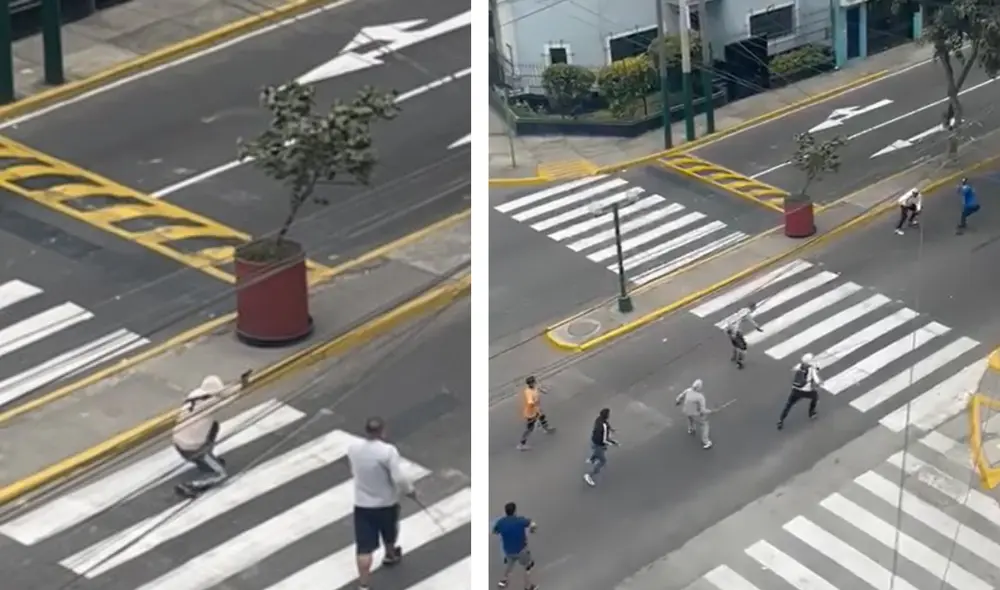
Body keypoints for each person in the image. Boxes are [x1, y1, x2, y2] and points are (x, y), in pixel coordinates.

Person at [348, 417, 416, 590]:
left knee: (364, 547)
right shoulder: (387, 452)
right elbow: (399, 477)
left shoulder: (353, 448)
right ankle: (390, 554)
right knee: (390, 530)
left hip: (362, 505)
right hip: (386, 503)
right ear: (382, 431)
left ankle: (363, 585)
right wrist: (409, 491)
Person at [172, 375, 239, 496]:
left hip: (178, 442)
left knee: (214, 425)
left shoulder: (195, 394)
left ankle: (205, 462)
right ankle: (192, 485)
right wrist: (243, 385)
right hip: (193, 448)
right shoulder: (211, 402)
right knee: (220, 474)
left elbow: (222, 393)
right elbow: (230, 397)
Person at [493, 502, 538, 590]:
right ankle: (528, 586)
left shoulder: (501, 522)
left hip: (508, 550)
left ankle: (503, 580)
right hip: (521, 550)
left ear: (506, 512)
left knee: (509, 565)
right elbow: (533, 524)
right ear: (515, 511)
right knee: (527, 567)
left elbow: (495, 531)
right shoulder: (520, 520)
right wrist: (532, 529)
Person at [777, 353, 822, 430]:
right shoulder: (811, 369)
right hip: (807, 391)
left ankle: (781, 420)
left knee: (789, 405)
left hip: (796, 389)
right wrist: (820, 382)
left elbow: (793, 370)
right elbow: (816, 379)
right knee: (815, 397)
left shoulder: (799, 365)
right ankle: (811, 413)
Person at [517, 376, 553, 451]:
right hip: (531, 413)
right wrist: (534, 404)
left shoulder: (534, 388)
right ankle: (521, 444)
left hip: (536, 409)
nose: (534, 383)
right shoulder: (528, 392)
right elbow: (530, 402)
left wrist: (544, 390)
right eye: (533, 382)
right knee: (530, 429)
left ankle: (546, 428)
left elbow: (539, 389)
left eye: (534, 382)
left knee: (542, 416)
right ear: (530, 384)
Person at [584, 408, 618, 487]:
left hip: (593, 440)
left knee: (597, 451)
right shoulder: (604, 426)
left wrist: (611, 429)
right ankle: (589, 475)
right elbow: (604, 440)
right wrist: (614, 443)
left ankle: (591, 459)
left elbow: (606, 425)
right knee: (602, 461)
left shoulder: (598, 419)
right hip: (599, 444)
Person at [676, 379, 712, 449]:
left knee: (690, 419)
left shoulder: (688, 390)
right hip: (695, 413)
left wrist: (678, 401)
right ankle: (706, 441)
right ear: (699, 387)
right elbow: (702, 410)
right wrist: (709, 411)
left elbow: (680, 396)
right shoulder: (700, 397)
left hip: (686, 411)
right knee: (704, 424)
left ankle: (691, 429)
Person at [724, 302, 762, 369]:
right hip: (735, 332)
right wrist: (734, 333)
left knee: (735, 345)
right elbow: (738, 322)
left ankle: (734, 356)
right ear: (753, 308)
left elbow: (749, 319)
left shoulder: (742, 310)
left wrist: (756, 326)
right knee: (744, 349)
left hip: (728, 330)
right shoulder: (746, 313)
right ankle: (739, 362)